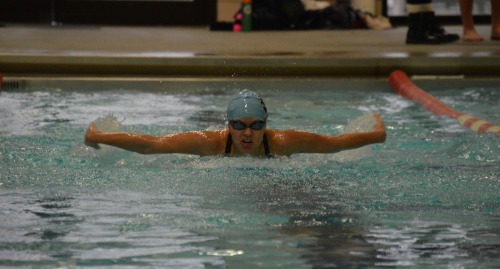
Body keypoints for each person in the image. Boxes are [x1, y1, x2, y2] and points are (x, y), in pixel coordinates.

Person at [84, 89, 386, 158]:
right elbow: (151, 144)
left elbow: (334, 144)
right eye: (239, 125)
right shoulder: (209, 142)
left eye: (256, 126)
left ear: (266, 125)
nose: (247, 133)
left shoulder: (282, 142)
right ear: (227, 125)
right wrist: (100, 136)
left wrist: (376, 135)